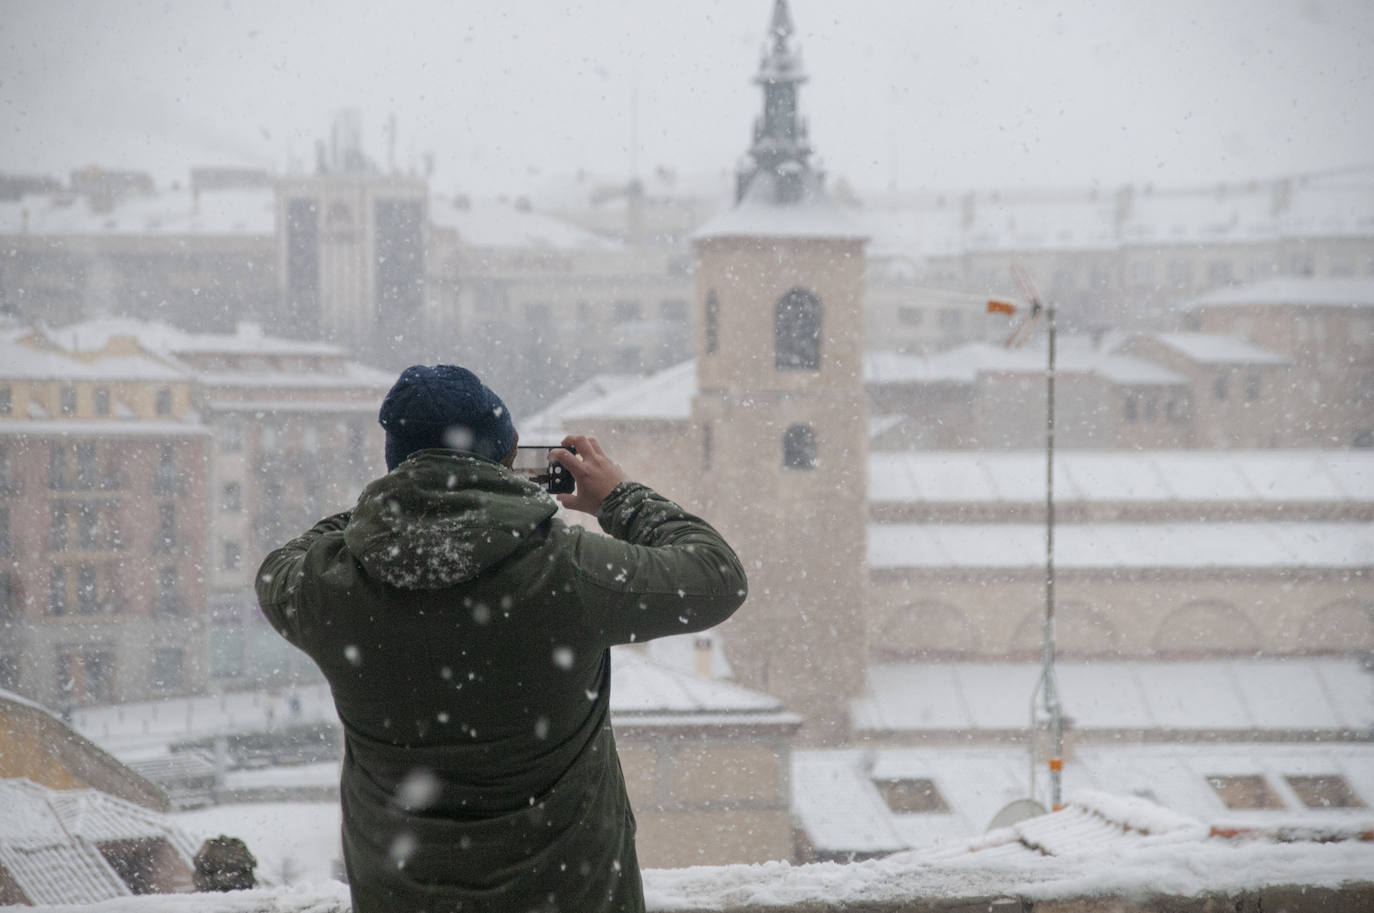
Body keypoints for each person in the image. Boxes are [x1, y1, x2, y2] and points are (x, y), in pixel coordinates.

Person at [256, 364, 748, 913]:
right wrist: (618, 497)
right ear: (508, 456)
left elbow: (277, 568)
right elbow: (717, 575)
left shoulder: (330, 587)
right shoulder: (566, 571)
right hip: (568, 896)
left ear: (395, 460)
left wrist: (398, 506)